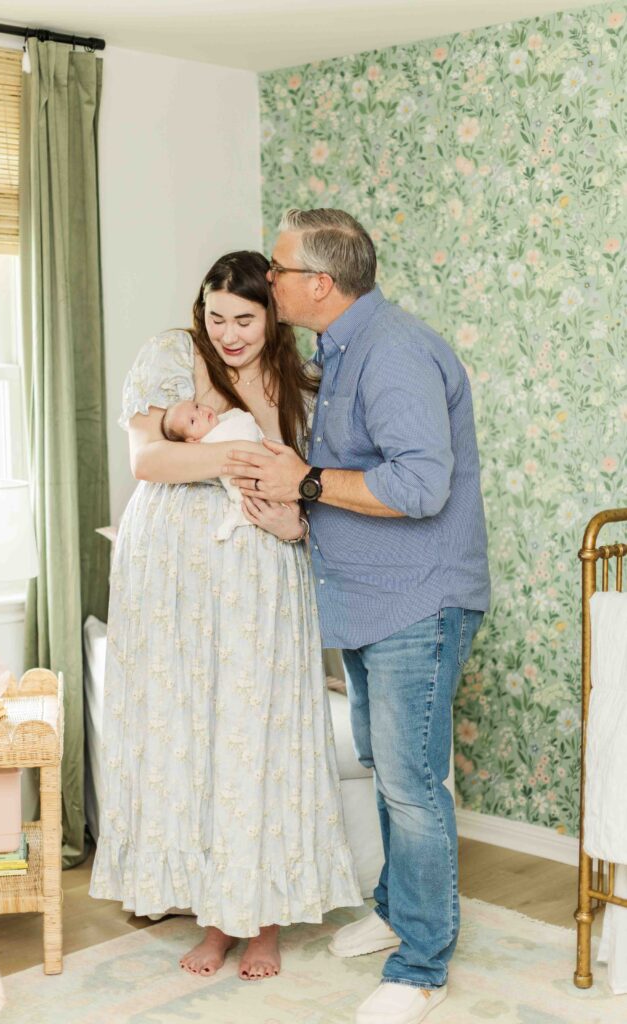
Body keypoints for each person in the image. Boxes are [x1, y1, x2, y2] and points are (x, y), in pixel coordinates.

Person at [223, 210, 490, 1024]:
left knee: (412, 785)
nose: (266, 281)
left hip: (419, 598)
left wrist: (302, 483)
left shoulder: (394, 352)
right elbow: (345, 479)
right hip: (369, 598)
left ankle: (421, 964)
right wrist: (293, 509)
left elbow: (418, 488)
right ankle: (395, 909)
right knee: (386, 764)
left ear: (319, 283)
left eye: (276, 269)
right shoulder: (336, 353)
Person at [89, 249, 362, 983]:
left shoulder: (290, 374)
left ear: (271, 316)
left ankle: (262, 920)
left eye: (244, 319)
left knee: (255, 736)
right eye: (216, 317)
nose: (228, 332)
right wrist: (232, 456)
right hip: (169, 576)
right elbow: (148, 462)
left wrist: (245, 441)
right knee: (190, 733)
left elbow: (298, 473)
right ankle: (212, 918)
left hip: (257, 575)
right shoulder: (169, 355)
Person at [161, 399, 263, 539]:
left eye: (196, 407)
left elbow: (247, 423)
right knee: (244, 502)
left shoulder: (227, 419)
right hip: (249, 482)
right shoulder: (207, 444)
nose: (200, 412)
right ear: (192, 440)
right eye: (192, 421)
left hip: (266, 463)